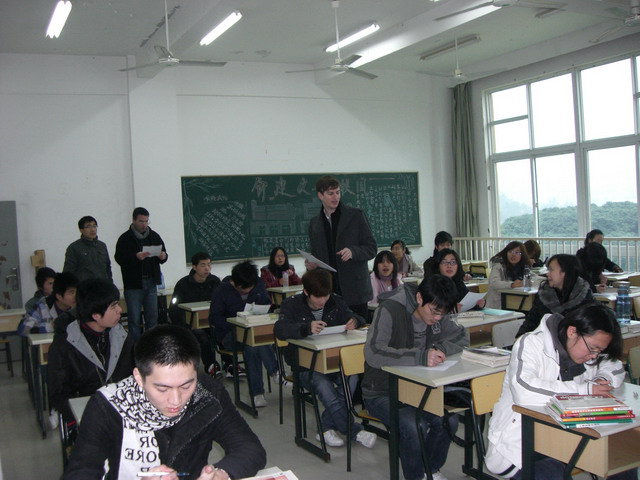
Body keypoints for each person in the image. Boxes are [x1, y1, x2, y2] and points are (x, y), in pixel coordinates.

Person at [62, 324, 266, 480]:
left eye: (186, 385)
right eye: (162, 389)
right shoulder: (108, 405)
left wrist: (222, 474)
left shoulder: (207, 394)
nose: (176, 400)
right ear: (139, 377)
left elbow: (249, 447)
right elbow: (80, 472)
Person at [485, 303, 636, 480]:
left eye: (599, 351)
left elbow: (614, 365)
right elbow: (524, 391)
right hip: (519, 446)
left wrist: (602, 378)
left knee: (622, 460)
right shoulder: (531, 343)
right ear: (572, 332)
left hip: (567, 437)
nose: (594, 356)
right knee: (556, 474)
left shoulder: (587, 349)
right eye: (592, 349)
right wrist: (585, 390)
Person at [362, 275, 468, 480]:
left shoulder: (438, 307)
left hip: (419, 388)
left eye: (443, 313)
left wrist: (439, 348)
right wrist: (420, 357)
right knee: (414, 425)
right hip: (382, 391)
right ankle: (416, 476)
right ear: (419, 298)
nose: (438, 318)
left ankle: (430, 469)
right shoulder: (390, 309)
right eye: (434, 312)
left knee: (449, 420)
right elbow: (373, 353)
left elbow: (462, 337)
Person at [274, 269, 376, 449]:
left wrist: (355, 321)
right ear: (306, 292)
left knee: (351, 378)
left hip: (333, 362)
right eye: (318, 297)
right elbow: (280, 330)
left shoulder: (335, 301)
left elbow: (358, 317)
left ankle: (326, 427)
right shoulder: (292, 304)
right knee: (323, 385)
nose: (322, 300)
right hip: (304, 366)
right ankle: (354, 431)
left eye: (326, 296)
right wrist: (305, 328)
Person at [47, 278, 134, 429]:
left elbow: (136, 377)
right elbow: (58, 392)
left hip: (122, 416)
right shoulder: (64, 346)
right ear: (95, 315)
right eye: (113, 306)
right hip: (85, 420)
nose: (120, 310)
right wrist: (77, 420)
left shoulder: (123, 338)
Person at [209, 260, 281, 407]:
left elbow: (267, 304)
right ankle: (275, 373)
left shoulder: (258, 285)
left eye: (250, 287)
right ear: (235, 283)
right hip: (229, 335)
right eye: (244, 289)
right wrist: (236, 322)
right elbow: (214, 319)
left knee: (253, 344)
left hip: (253, 331)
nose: (248, 291)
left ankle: (257, 394)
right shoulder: (221, 291)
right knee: (253, 343)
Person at [307, 175, 377, 319]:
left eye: (338, 192)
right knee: (332, 330)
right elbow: (315, 253)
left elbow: (371, 248)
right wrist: (311, 264)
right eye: (330, 193)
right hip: (328, 291)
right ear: (320, 195)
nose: (336, 197)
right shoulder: (315, 223)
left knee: (357, 329)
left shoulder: (355, 216)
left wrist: (353, 251)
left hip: (355, 290)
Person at [115, 207, 168, 341]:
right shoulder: (125, 238)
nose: (144, 224)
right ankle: (135, 348)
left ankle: (151, 346)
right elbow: (119, 258)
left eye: (146, 221)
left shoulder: (154, 236)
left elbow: (163, 254)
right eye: (141, 221)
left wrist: (163, 256)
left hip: (151, 282)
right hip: (133, 284)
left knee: (152, 318)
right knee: (134, 319)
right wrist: (135, 257)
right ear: (134, 220)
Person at [169, 252, 221, 376]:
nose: (207, 268)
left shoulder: (215, 281)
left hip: (211, 321)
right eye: (203, 265)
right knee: (202, 336)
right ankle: (211, 365)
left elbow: (222, 303)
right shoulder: (183, 284)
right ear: (194, 267)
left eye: (209, 264)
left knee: (222, 332)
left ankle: (230, 364)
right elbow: (174, 309)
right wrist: (186, 325)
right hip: (190, 325)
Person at [516, 254, 593, 337]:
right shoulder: (545, 293)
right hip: (547, 340)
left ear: (565, 272)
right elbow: (532, 321)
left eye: (551, 270)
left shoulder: (584, 296)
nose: (547, 274)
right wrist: (520, 337)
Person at [63, 216, 113, 282]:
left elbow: (108, 267)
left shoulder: (102, 246)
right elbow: (68, 272)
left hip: (103, 285)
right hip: (84, 286)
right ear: (81, 230)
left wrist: (110, 284)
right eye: (88, 227)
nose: (92, 229)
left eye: (94, 226)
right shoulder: (74, 247)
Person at [485, 241, 530, 309]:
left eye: (517, 252)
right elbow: (494, 283)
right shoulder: (498, 266)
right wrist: (512, 285)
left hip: (514, 302)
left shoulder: (523, 267)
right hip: (497, 305)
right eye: (510, 251)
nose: (513, 255)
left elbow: (533, 277)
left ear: (522, 255)